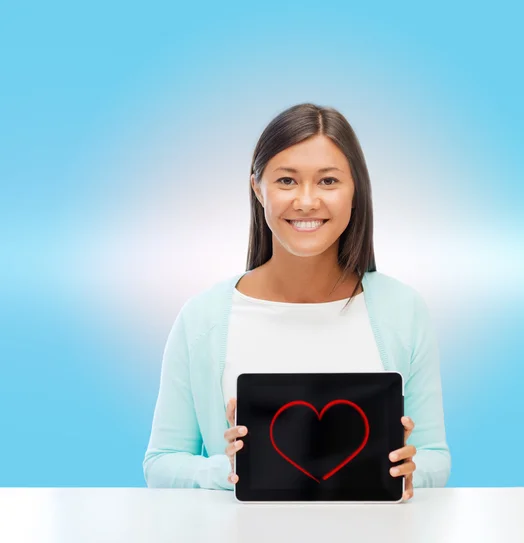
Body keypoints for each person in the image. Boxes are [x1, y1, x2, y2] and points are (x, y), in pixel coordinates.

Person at [143, 103, 451, 501]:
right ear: (258, 188)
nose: (306, 201)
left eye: (328, 181)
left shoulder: (403, 310)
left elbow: (434, 456)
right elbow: (161, 462)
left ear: (356, 189)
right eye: (287, 180)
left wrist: (409, 471)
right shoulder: (203, 317)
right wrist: (232, 467)